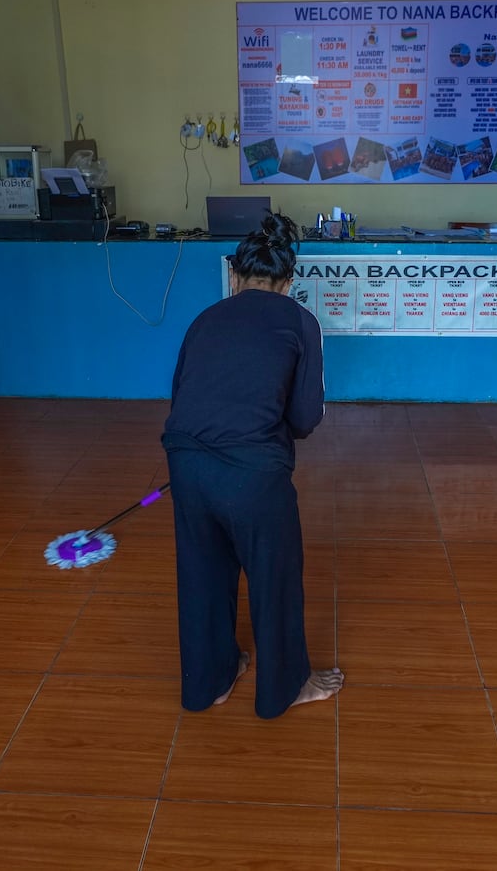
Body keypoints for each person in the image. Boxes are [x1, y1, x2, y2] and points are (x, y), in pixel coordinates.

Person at [160, 213, 344, 718]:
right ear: (288, 283)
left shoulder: (205, 318)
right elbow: (305, 418)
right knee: (274, 575)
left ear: (235, 275)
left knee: (202, 574)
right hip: (253, 475)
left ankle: (209, 683)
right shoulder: (300, 322)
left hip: (186, 464)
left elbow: (181, 396)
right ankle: (285, 687)